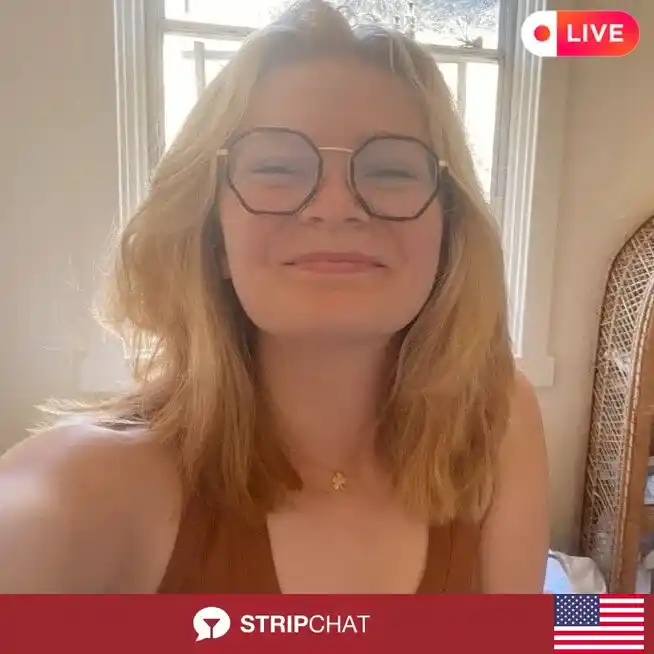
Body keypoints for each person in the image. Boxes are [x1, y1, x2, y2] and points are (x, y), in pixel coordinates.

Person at [0, 0, 549, 593]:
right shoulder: (90, 487)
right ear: (214, 239)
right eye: (278, 168)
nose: (336, 206)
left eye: (390, 171)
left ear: (449, 234)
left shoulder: (499, 417)